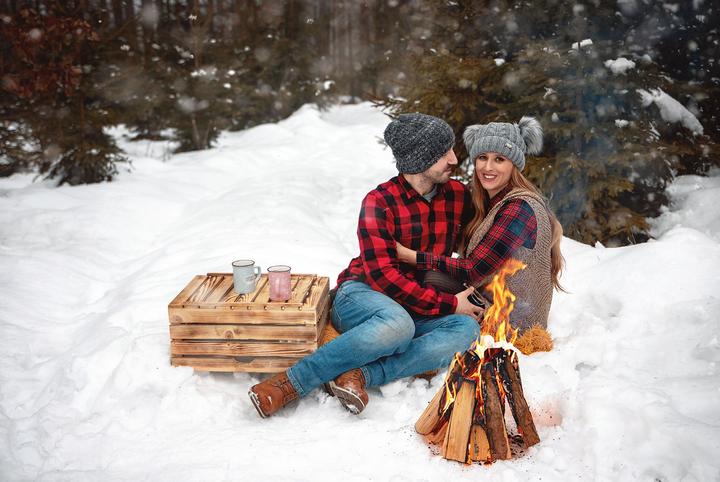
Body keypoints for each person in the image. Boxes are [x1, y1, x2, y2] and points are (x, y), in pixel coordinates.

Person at [248, 113, 483, 418]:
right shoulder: (379, 202)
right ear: (418, 160)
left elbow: (486, 232)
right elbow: (384, 276)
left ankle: (359, 375)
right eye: (443, 153)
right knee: (399, 325)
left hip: (416, 304)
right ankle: (289, 383)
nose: (454, 159)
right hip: (362, 294)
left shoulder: (457, 195)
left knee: (466, 329)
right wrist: (450, 303)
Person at [396, 116, 564, 334]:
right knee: (421, 280)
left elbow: (472, 271)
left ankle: (403, 334)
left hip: (511, 323)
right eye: (482, 157)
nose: (488, 167)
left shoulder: (519, 208)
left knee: (431, 278)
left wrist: (410, 256)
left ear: (514, 165)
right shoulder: (489, 203)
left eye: (499, 159)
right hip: (489, 302)